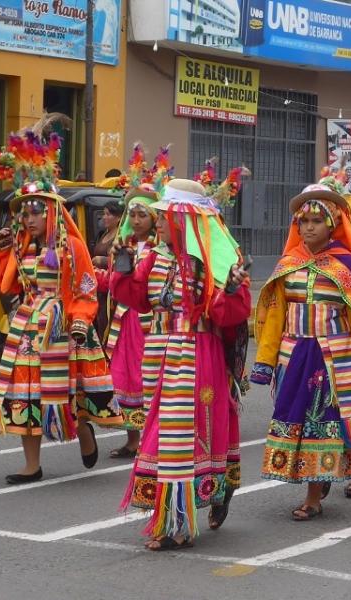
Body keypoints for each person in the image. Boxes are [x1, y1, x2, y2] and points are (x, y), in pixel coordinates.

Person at [111, 178, 251, 551]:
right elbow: (139, 300)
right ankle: (194, 502)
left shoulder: (214, 262)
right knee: (162, 435)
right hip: (158, 352)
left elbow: (227, 315)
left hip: (195, 351)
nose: (156, 224)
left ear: (184, 221)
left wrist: (232, 291)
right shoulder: (155, 258)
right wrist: (122, 273)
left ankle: (177, 523)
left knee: (176, 439)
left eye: (163, 217)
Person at [0, 132, 120, 484]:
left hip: (64, 325)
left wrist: (79, 320)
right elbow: (7, 285)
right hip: (29, 324)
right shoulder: (22, 246)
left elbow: (85, 287)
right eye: (24, 213)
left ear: (51, 213)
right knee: (25, 391)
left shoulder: (72, 246)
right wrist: (0, 251)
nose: (28, 220)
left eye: (35, 212)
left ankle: (84, 428)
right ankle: (32, 464)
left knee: (68, 390)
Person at [252, 169, 351, 521]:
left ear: (333, 224)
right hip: (293, 356)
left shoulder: (346, 264)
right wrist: (264, 361)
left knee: (320, 421)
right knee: (294, 418)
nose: (308, 228)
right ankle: (316, 478)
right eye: (303, 221)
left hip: (331, 358)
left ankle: (313, 495)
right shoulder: (289, 265)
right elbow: (275, 315)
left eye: (316, 221)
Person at [97, 143, 168, 458]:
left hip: (149, 324)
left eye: (144, 215)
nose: (137, 220)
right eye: (134, 214)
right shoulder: (121, 246)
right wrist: (89, 278)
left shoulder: (159, 251)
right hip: (122, 323)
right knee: (122, 377)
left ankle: (152, 437)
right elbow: (114, 283)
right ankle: (132, 438)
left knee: (146, 378)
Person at [91, 201, 123, 336]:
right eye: (103, 214)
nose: (104, 217)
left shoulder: (120, 237)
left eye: (108, 214)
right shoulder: (104, 234)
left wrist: (101, 260)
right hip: (97, 288)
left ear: (118, 217)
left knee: (106, 323)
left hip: (109, 291)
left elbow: (118, 260)